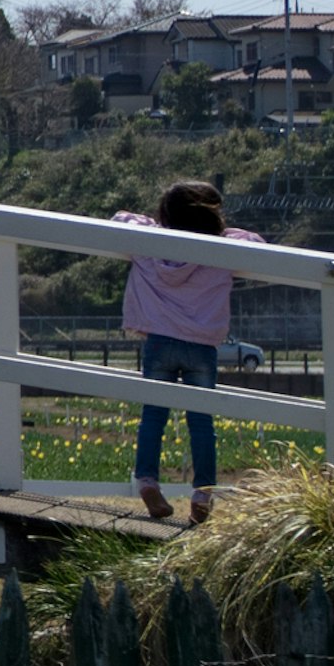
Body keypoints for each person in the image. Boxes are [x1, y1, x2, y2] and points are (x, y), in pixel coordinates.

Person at [117, 176, 260, 523]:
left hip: (159, 341)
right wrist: (223, 234)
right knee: (201, 422)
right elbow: (256, 241)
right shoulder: (221, 250)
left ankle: (148, 480)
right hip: (201, 346)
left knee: (153, 417)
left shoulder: (148, 243)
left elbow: (120, 218)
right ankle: (202, 494)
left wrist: (153, 223)